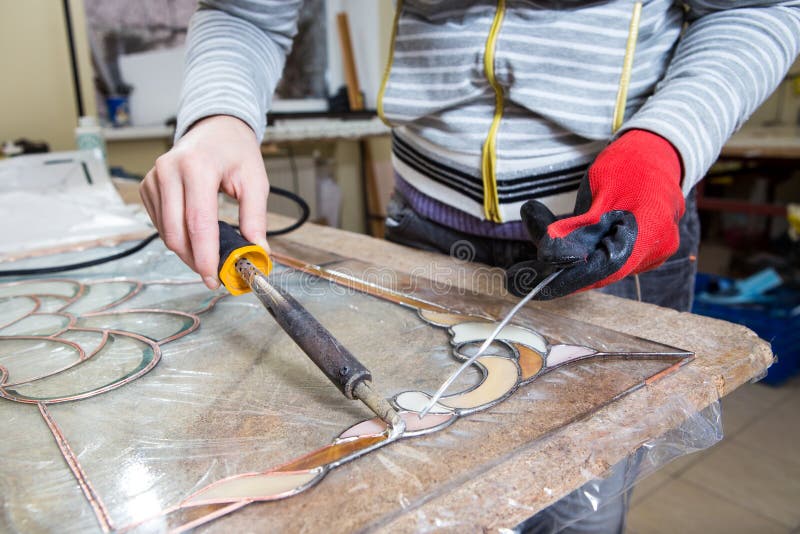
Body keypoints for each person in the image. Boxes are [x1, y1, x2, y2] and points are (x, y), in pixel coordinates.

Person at [139, 1, 800, 531]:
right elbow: (248, 11)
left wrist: (664, 149)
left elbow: (759, 8)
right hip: (424, 235)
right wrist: (219, 116)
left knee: (574, 509)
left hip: (607, 234)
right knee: (417, 496)